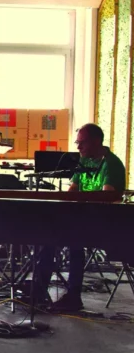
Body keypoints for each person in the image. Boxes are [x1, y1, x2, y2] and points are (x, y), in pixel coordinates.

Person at [35, 123, 126, 312]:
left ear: (96, 141)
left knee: (73, 240)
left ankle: (73, 295)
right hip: (83, 219)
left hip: (105, 223)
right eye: (77, 142)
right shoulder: (83, 162)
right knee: (47, 234)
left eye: (82, 143)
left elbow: (106, 200)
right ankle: (39, 289)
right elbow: (72, 191)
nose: (78, 147)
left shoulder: (111, 164)